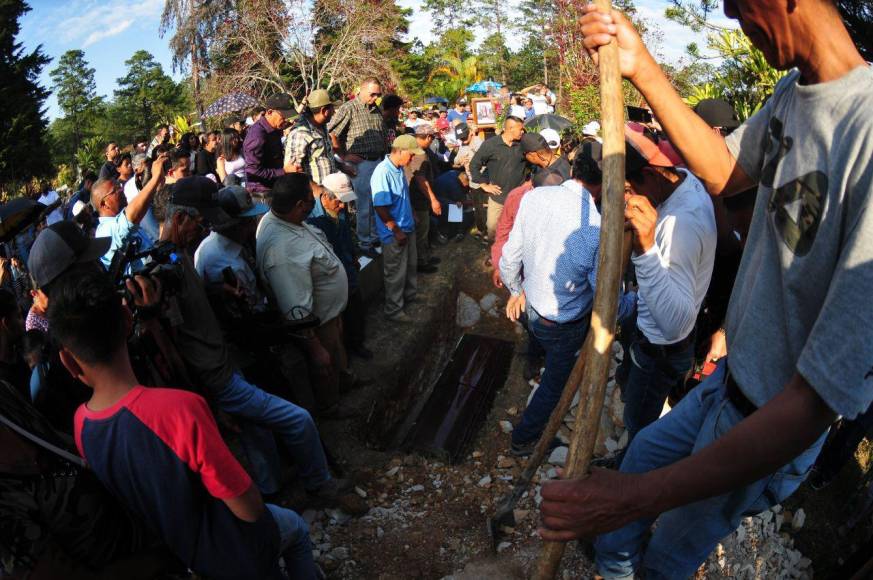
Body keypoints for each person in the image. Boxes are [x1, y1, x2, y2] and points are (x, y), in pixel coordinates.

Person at [539, 4, 873, 579]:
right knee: (640, 459)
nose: (726, 11)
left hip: (769, 422)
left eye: (737, 1)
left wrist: (635, 498)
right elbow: (725, 172)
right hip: (726, 388)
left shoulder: (866, 136)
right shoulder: (797, 94)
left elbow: (814, 402)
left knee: (667, 553)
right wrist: (640, 65)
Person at [48, 268, 318, 580]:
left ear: (67, 361)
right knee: (295, 530)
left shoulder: (81, 425)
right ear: (126, 320)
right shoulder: (178, 410)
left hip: (176, 557)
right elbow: (249, 509)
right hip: (234, 552)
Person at [153, 177, 356, 504]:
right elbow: (173, 340)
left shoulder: (183, 256)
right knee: (298, 419)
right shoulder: (174, 266)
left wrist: (217, 292)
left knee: (257, 433)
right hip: (220, 373)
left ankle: (272, 492)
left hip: (229, 363)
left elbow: (196, 306)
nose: (204, 227)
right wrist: (207, 399)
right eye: (199, 221)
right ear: (179, 219)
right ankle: (320, 484)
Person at [499, 148, 635, 456]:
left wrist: (515, 289)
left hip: (532, 304)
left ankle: (534, 365)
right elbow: (606, 300)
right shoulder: (596, 230)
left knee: (539, 341)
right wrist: (632, 304)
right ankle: (523, 439)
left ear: (574, 169)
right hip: (563, 323)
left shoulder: (534, 198)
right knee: (555, 384)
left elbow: (510, 256)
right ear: (606, 184)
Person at [617, 123, 717, 445]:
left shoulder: (680, 226)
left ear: (649, 174)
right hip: (656, 339)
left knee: (639, 422)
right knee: (633, 390)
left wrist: (645, 248)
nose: (626, 196)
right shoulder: (684, 179)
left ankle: (629, 469)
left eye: (628, 187)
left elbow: (675, 325)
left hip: (660, 347)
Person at [256, 173, 355, 413]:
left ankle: (342, 384)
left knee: (335, 357)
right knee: (324, 364)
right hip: (316, 324)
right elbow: (295, 307)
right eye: (311, 200)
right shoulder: (281, 250)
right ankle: (331, 406)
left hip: (328, 315)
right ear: (300, 205)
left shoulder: (288, 220)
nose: (315, 202)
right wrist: (314, 347)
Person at [307, 172, 372, 360]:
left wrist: (352, 257)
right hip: (329, 276)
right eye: (339, 201)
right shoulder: (313, 219)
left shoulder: (339, 210)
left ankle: (356, 344)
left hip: (348, 269)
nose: (343, 206)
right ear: (326, 197)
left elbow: (346, 237)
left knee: (356, 310)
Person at [328, 78, 386, 258]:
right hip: (361, 163)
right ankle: (365, 242)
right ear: (361, 90)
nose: (375, 97)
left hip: (377, 161)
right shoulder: (349, 108)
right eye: (372, 94)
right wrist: (343, 157)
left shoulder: (376, 109)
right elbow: (332, 133)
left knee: (378, 201)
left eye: (378, 94)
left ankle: (375, 237)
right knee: (365, 205)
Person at [371, 135, 422, 322]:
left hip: (406, 226)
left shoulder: (399, 168)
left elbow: (403, 196)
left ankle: (409, 296)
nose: (413, 159)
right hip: (394, 233)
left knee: (410, 266)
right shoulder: (382, 172)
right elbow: (380, 206)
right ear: (400, 151)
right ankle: (394, 310)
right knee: (395, 273)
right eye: (411, 155)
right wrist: (396, 230)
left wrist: (413, 212)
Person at [92, 153, 167, 268]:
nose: (121, 190)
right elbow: (131, 218)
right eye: (115, 190)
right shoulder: (104, 231)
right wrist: (155, 177)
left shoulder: (121, 217)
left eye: (119, 187)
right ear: (104, 203)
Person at [469, 115, 527, 240]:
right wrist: (484, 185)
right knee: (492, 229)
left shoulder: (523, 144)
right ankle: (494, 257)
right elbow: (474, 165)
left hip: (518, 197)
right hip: (498, 198)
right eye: (520, 129)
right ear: (510, 128)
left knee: (516, 231)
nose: (523, 132)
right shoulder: (491, 145)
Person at [243, 93, 298, 201]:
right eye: (283, 116)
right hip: (262, 193)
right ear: (269, 112)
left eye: (288, 117)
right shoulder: (257, 135)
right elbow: (253, 170)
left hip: (275, 186)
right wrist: (284, 171)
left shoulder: (275, 128)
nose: (287, 120)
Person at [406, 125, 443, 274]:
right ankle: (421, 262)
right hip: (418, 198)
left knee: (424, 230)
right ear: (428, 137)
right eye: (432, 138)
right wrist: (433, 200)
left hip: (419, 197)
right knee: (421, 231)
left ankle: (424, 256)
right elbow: (421, 179)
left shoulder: (419, 150)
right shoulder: (419, 153)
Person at [284, 89, 337, 185]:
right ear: (324, 111)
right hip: (315, 195)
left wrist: (342, 166)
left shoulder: (322, 126)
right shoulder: (300, 133)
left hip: (330, 191)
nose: (334, 112)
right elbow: (293, 173)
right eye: (332, 108)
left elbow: (325, 157)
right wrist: (315, 190)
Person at [124, 153, 161, 242]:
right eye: (146, 167)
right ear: (137, 171)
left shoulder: (157, 176)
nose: (150, 170)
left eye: (151, 165)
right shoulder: (130, 186)